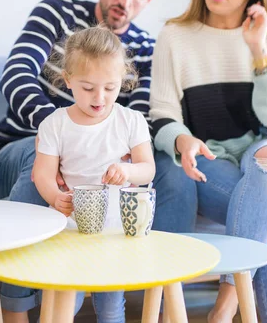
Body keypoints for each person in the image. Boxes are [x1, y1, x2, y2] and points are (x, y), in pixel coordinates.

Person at [0, 0, 162, 323]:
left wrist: (106, 151)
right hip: (26, 142)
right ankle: (16, 311)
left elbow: (136, 120)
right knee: (39, 165)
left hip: (99, 163)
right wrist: (63, 133)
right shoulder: (57, 12)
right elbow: (16, 74)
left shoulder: (148, 49)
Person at [149, 0, 267, 323]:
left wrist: (258, 51)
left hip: (264, 153)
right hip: (209, 156)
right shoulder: (175, 36)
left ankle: (226, 305)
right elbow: (162, 113)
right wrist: (182, 140)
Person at [33, 25, 155, 322]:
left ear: (121, 82)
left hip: (116, 232)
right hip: (69, 230)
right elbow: (42, 174)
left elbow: (147, 169)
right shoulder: (55, 123)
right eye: (88, 88)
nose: (99, 97)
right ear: (68, 80)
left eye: (110, 88)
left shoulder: (131, 121)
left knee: (112, 307)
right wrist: (55, 195)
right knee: (63, 302)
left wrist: (126, 169)